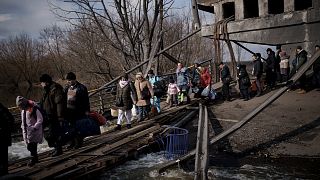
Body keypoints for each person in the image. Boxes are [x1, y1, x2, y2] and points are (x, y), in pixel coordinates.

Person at [39, 74, 65, 157]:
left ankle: (58, 149)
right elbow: (42, 102)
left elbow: (59, 103)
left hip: (54, 115)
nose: (41, 84)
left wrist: (60, 116)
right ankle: (56, 148)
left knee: (54, 133)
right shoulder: (46, 89)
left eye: (42, 82)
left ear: (46, 82)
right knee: (49, 134)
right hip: (47, 115)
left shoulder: (56, 88)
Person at [64, 72, 90, 148]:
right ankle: (72, 142)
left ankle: (78, 142)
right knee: (71, 127)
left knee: (79, 127)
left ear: (74, 79)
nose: (68, 82)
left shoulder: (81, 88)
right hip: (69, 111)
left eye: (69, 80)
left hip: (79, 110)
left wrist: (87, 110)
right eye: (67, 80)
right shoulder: (67, 88)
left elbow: (86, 100)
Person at [16, 96, 43, 166]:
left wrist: (34, 128)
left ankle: (33, 159)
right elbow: (24, 120)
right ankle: (35, 158)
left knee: (32, 146)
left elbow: (40, 119)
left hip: (34, 131)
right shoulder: (23, 110)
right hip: (27, 131)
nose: (20, 108)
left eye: (20, 106)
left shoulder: (34, 109)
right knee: (30, 146)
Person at [0, 103, 14, 175]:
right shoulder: (3, 109)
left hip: (3, 137)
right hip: (4, 137)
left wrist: (3, 130)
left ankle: (4, 172)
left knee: (3, 157)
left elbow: (11, 121)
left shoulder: (2, 110)